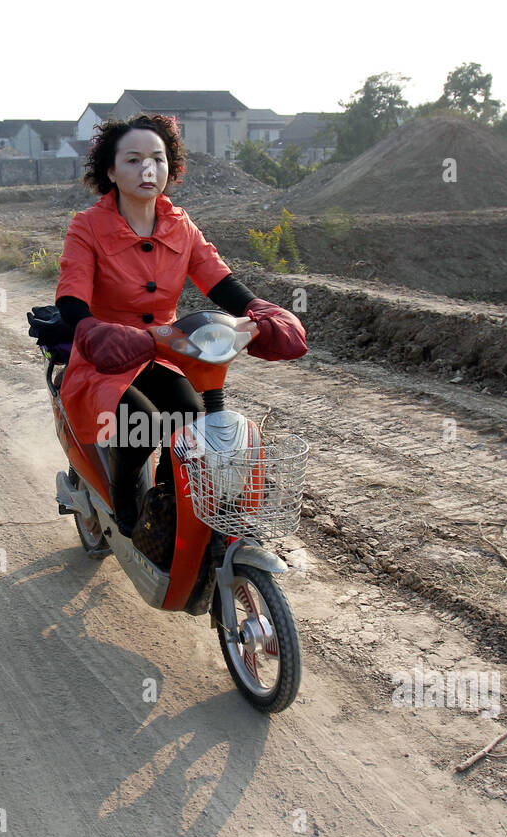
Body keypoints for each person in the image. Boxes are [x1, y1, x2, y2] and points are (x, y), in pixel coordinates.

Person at [54, 113, 307, 537]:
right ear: (111, 171)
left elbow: (218, 279)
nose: (147, 169)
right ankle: (122, 493)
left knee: (191, 422)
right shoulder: (88, 227)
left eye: (157, 158)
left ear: (170, 168)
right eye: (133, 160)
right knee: (143, 420)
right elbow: (71, 295)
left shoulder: (180, 225)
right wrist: (92, 329)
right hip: (105, 357)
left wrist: (259, 309)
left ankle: (170, 508)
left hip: (165, 352)